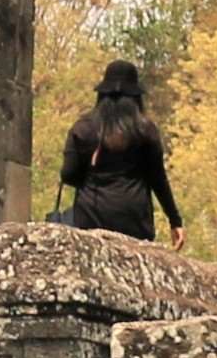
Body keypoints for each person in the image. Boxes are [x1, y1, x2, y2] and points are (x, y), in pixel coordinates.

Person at [58, 60, 180, 242]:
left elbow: (68, 174)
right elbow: (158, 179)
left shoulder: (83, 128)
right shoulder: (145, 131)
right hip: (134, 220)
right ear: (136, 97)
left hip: (91, 217)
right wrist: (175, 220)